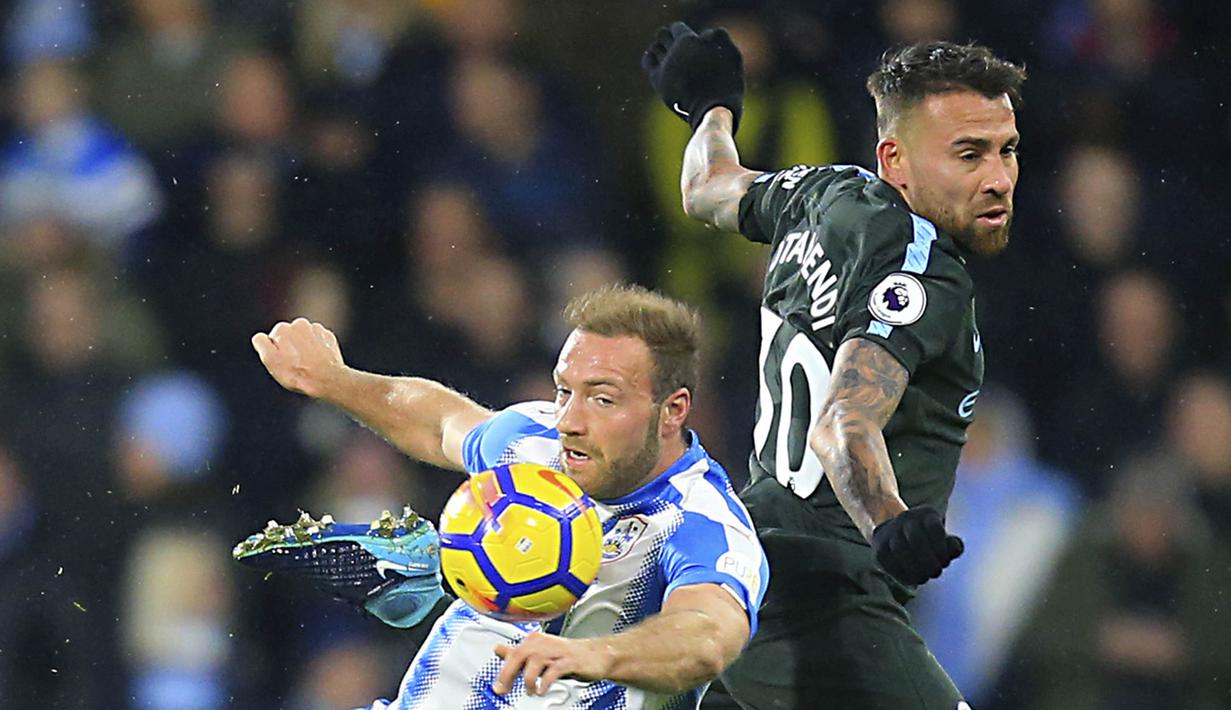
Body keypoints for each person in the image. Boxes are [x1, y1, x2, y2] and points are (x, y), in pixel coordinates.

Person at [642, 22, 1026, 708]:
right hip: (826, 596)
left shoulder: (820, 197)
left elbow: (706, 186)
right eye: (968, 156)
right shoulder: (921, 274)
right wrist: (887, 521)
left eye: (1006, 151)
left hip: (749, 569)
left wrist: (712, 108)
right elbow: (843, 423)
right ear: (894, 160)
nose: (997, 179)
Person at [245, 284, 768, 708]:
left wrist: (593, 656)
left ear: (673, 410)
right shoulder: (535, 445)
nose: (570, 421)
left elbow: (706, 636)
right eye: (566, 391)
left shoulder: (700, 522)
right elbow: (439, 421)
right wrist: (335, 380)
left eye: (602, 399)